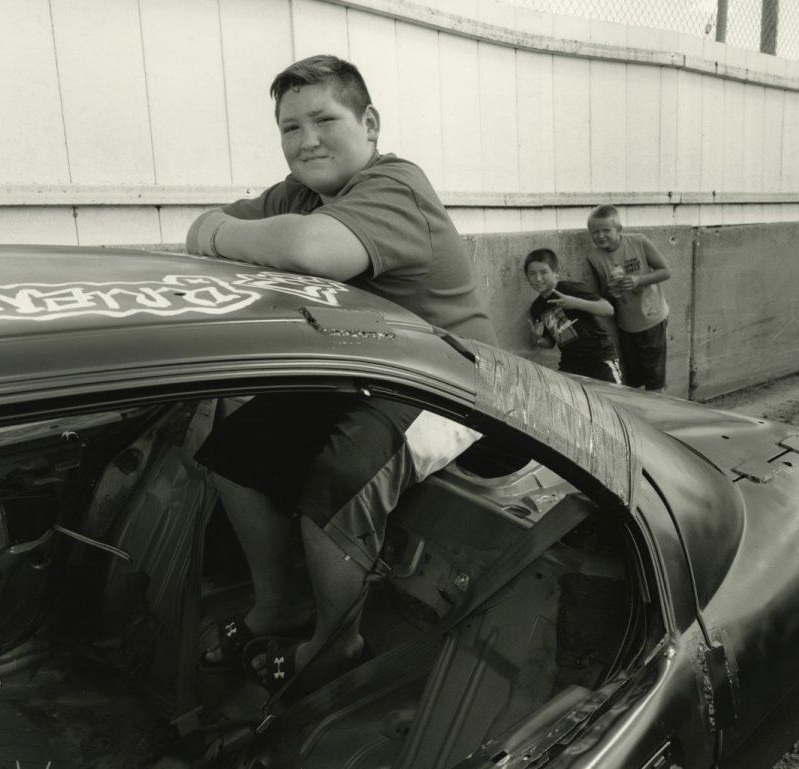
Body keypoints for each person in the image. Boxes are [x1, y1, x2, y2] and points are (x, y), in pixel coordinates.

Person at [184, 54, 497, 695]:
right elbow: (200, 228)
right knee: (233, 453)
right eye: (290, 127)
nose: (307, 141)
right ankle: (278, 607)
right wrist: (220, 229)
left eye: (325, 120)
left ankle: (335, 644)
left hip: (450, 377)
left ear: (369, 124)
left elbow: (307, 248)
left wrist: (223, 231)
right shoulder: (298, 196)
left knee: (337, 484)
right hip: (365, 369)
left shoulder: (396, 185)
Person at [585, 205, 671, 392]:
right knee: (633, 380)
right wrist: (611, 288)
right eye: (594, 232)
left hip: (652, 319)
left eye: (606, 230)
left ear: (619, 229)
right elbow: (605, 295)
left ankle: (659, 408)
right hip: (626, 325)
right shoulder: (594, 257)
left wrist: (638, 280)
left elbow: (665, 271)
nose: (600, 236)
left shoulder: (638, 241)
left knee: (655, 380)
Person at [523, 248, 620, 384]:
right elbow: (550, 343)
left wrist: (575, 303)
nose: (538, 278)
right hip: (571, 363)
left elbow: (608, 309)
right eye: (532, 274)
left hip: (599, 357)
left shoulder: (568, 289)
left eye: (544, 272)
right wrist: (537, 338)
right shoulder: (537, 307)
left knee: (612, 395)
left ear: (555, 272)